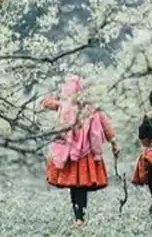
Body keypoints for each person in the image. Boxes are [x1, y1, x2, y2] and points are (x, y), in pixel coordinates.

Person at [41, 75, 121, 227]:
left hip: (69, 154)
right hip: (86, 154)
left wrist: (59, 99)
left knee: (75, 187)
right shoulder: (91, 108)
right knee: (81, 187)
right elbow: (105, 124)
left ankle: (79, 218)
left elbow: (44, 103)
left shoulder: (64, 106)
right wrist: (114, 143)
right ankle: (80, 218)